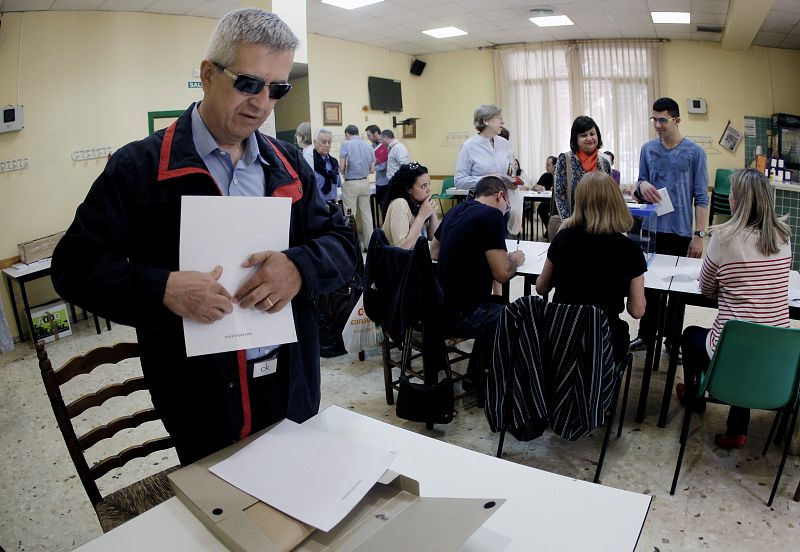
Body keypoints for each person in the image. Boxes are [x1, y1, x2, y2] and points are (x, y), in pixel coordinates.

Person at [50, 9, 356, 465]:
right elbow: (73, 266)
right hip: (198, 393)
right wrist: (161, 288)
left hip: (291, 381)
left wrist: (299, 267)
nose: (262, 104)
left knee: (294, 503)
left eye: (278, 89)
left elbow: (344, 245)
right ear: (208, 75)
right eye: (249, 84)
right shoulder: (139, 170)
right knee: (221, 519)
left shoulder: (288, 163)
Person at [679, 169, 791, 449]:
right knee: (750, 335)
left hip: (730, 354)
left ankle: (696, 397)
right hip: (777, 358)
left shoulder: (724, 238)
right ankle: (737, 428)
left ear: (737, 201)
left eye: (730, 192)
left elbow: (706, 288)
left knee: (692, 335)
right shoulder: (784, 236)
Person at [536, 172, 646, 361]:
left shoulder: (563, 238)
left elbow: (541, 287)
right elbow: (637, 311)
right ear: (617, 202)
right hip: (603, 341)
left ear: (580, 201)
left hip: (561, 337)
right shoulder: (630, 250)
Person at [630, 97, 709, 354]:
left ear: (676, 120)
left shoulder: (695, 153)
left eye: (663, 120)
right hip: (652, 228)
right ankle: (646, 336)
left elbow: (702, 197)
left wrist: (699, 236)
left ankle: (673, 341)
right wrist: (641, 186)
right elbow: (639, 183)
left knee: (677, 291)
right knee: (649, 285)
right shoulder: (648, 149)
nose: (658, 125)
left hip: (681, 232)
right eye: (654, 119)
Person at [433, 175, 525, 386]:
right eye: (507, 205)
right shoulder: (492, 215)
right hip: (466, 313)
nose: (506, 210)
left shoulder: (455, 210)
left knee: (497, 307)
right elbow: (502, 274)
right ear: (500, 195)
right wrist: (515, 259)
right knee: (519, 314)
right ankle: (494, 382)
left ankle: (475, 375)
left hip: (439, 307)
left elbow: (434, 251)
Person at [454, 104, 523, 235]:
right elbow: (459, 181)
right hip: (479, 203)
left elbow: (508, 171)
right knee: (480, 246)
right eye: (498, 118)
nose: (502, 121)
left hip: (502, 202)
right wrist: (488, 179)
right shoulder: (468, 146)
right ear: (485, 120)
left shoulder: (504, 143)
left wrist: (510, 180)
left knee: (500, 243)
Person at [554, 115, 612, 219]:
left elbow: (610, 196)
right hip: (573, 224)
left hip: (600, 224)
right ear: (575, 138)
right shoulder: (565, 160)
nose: (589, 138)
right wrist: (567, 223)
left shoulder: (604, 163)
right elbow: (559, 195)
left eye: (592, 134)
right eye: (584, 135)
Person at [382, 162, 439, 249]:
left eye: (429, 185)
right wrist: (421, 216)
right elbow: (402, 248)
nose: (429, 190)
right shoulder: (399, 204)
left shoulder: (418, 205)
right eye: (423, 186)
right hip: (396, 261)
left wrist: (432, 213)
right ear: (409, 188)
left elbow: (434, 241)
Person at [339, 124, 375, 251]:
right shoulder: (368, 147)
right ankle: (370, 245)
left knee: (350, 215)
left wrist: (342, 172)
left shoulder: (346, 144)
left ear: (347, 134)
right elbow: (372, 169)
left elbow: (342, 167)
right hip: (365, 183)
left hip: (351, 183)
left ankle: (352, 246)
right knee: (367, 215)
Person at [304, 128, 339, 203]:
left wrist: (336, 204)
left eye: (329, 142)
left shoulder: (334, 162)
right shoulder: (309, 161)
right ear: (314, 142)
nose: (326, 145)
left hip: (332, 204)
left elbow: (335, 187)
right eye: (323, 142)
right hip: (316, 205)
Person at [366, 124, 389, 216]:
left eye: (369, 135)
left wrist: (375, 167)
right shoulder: (372, 147)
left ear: (375, 134)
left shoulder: (386, 145)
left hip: (388, 181)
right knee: (382, 206)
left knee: (388, 207)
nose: (368, 138)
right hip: (379, 181)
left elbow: (386, 164)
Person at [534, 155, 556, 237]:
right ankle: (549, 229)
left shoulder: (561, 175)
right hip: (548, 201)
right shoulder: (546, 175)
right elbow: (535, 187)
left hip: (559, 203)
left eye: (548, 165)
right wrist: (537, 187)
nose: (546, 167)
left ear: (554, 166)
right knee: (541, 207)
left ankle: (554, 231)